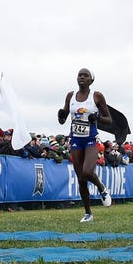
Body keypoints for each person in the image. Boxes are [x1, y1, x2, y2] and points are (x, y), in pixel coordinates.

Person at [57, 68, 113, 222]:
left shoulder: (96, 96)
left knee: (87, 172)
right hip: (75, 140)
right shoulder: (70, 96)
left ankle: (101, 188)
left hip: (90, 140)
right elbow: (63, 119)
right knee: (81, 178)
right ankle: (88, 213)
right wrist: (61, 115)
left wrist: (97, 118)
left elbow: (109, 119)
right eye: (79, 75)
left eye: (85, 75)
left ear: (91, 80)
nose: (82, 77)